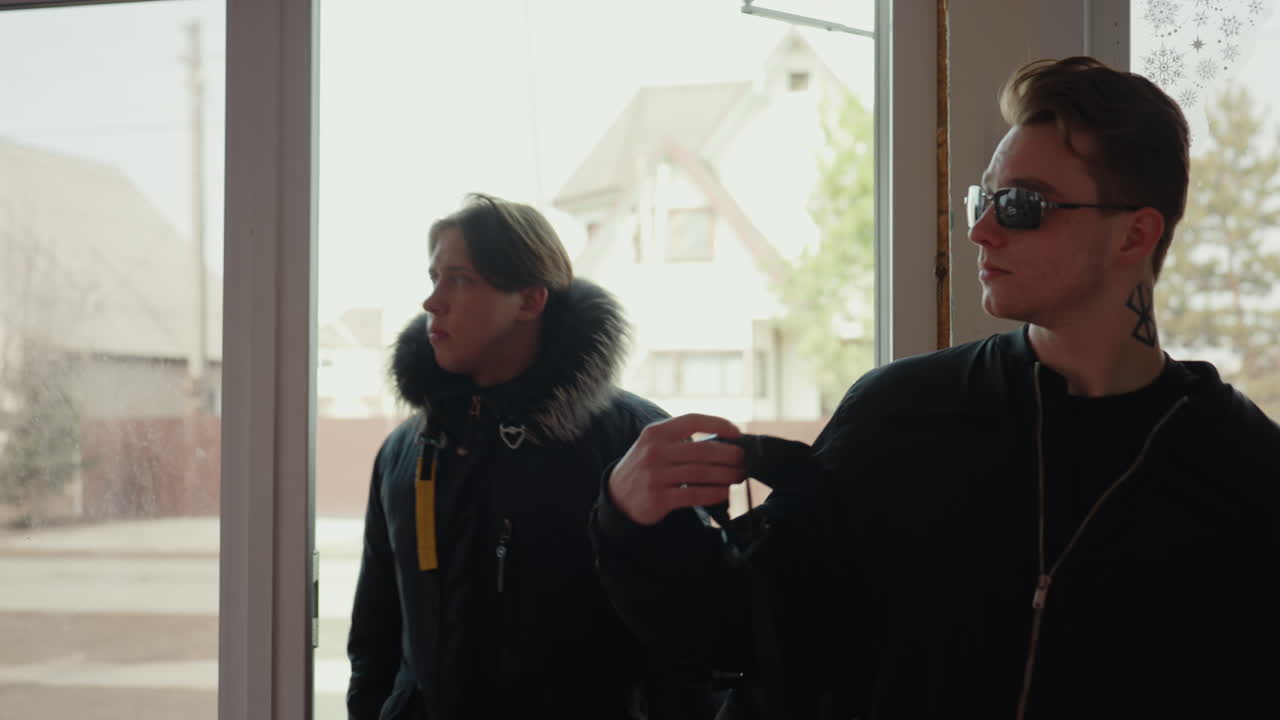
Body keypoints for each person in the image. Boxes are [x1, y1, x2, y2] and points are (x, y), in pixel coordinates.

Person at [590, 57, 1280, 720]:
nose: (978, 231)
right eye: (983, 199)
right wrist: (633, 521)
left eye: (1019, 206)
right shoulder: (902, 416)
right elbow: (747, 635)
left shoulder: (1241, 465)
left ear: (1135, 234)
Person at [347, 193, 716, 719]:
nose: (432, 302)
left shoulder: (633, 445)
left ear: (529, 300)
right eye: (433, 279)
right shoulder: (405, 452)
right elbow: (375, 639)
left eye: (459, 279)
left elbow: (686, 649)